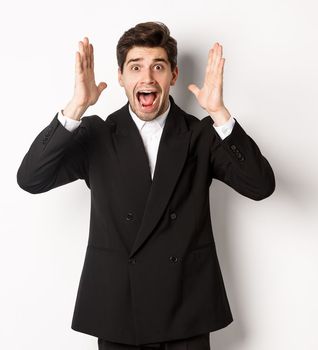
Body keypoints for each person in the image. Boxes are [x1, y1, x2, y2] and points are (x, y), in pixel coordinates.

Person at [16, 22, 275, 349]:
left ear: (174, 76)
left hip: (186, 307)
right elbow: (30, 179)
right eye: (135, 67)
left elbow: (260, 185)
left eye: (158, 66)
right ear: (122, 77)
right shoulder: (96, 134)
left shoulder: (200, 134)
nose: (147, 77)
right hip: (119, 310)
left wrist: (220, 114)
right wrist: (76, 108)